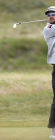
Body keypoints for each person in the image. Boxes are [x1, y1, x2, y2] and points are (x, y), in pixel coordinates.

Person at [43, 6, 55, 139]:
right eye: (48, 14)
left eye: (53, 14)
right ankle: (54, 130)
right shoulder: (48, 29)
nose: (50, 16)